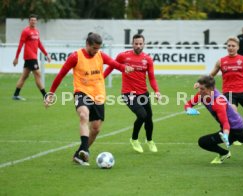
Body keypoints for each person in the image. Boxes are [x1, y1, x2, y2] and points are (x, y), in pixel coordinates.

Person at [44, 32, 133, 166]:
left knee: (96, 129)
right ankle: (85, 150)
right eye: (94, 48)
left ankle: (79, 154)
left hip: (98, 95)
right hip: (82, 92)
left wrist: (124, 68)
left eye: (98, 48)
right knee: (84, 115)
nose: (96, 51)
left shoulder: (100, 55)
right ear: (87, 44)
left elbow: (114, 64)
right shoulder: (75, 57)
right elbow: (61, 75)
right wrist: (51, 93)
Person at [185, 75, 243, 164]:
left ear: (211, 89)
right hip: (235, 124)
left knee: (203, 142)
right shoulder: (202, 94)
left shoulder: (218, 102)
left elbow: (225, 122)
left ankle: (224, 153)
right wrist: (188, 109)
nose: (199, 91)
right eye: (199, 88)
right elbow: (188, 104)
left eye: (202, 89)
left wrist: (226, 135)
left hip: (234, 127)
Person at [104, 34, 161, 153]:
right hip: (128, 93)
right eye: (136, 43)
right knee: (142, 115)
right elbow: (111, 67)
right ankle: (134, 139)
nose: (138, 46)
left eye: (141, 44)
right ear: (132, 44)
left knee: (149, 118)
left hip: (143, 93)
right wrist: (101, 78)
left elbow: (151, 78)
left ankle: (149, 141)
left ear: (144, 44)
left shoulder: (148, 59)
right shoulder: (123, 56)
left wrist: (157, 91)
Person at [12, 14, 51, 101]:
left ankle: (15, 94)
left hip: (33, 56)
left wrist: (46, 54)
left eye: (34, 20)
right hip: (30, 57)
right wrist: (16, 57)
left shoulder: (36, 31)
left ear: (36, 21)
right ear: (29, 21)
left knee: (24, 76)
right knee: (38, 74)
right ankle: (45, 96)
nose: (33, 21)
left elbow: (39, 44)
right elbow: (20, 44)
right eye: (31, 20)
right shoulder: (26, 31)